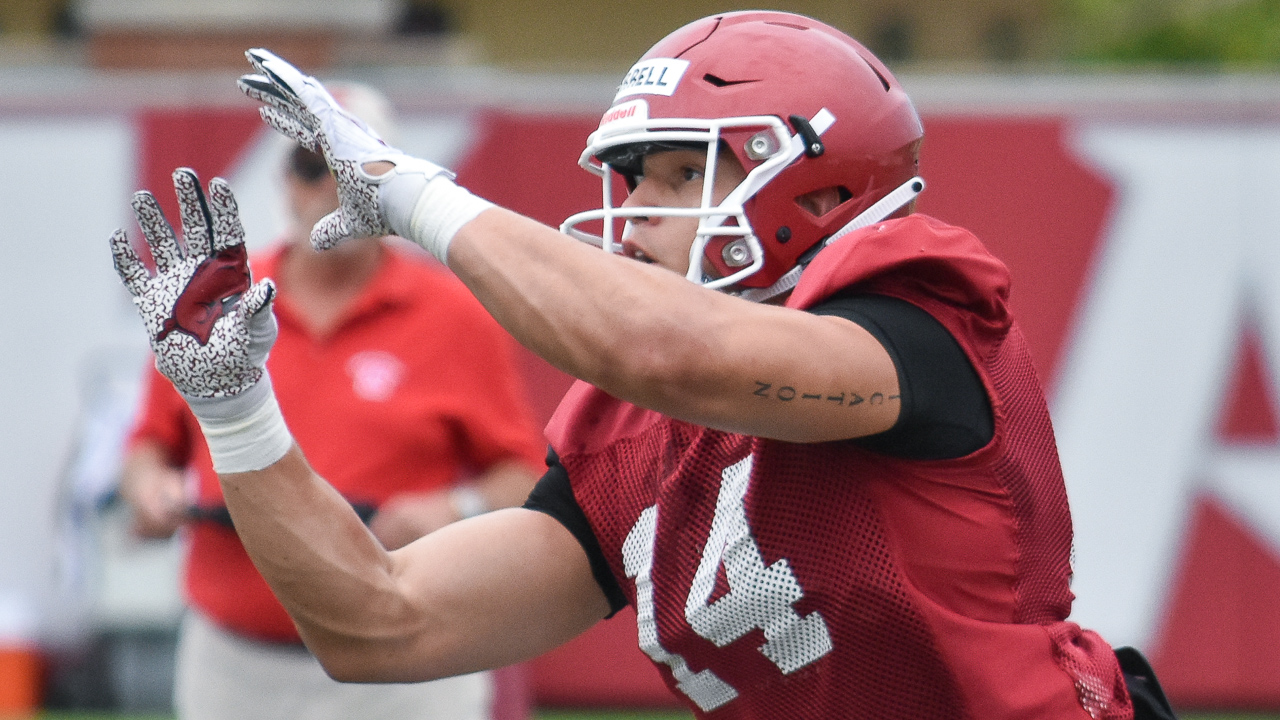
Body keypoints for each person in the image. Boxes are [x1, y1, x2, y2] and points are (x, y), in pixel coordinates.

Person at [109, 10, 1178, 719]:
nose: (636, 214)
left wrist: (417, 198)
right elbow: (380, 625)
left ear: (814, 182)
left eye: (676, 174)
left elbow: (672, 351)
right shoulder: (630, 436)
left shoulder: (917, 321)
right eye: (632, 178)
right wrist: (239, 412)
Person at [119, 84, 545, 720]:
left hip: (408, 661)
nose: (333, 189)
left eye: (355, 170)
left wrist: (454, 506)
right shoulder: (214, 305)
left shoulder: (456, 314)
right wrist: (152, 492)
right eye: (313, 167)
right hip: (237, 663)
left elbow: (526, 475)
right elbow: (149, 446)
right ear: (286, 181)